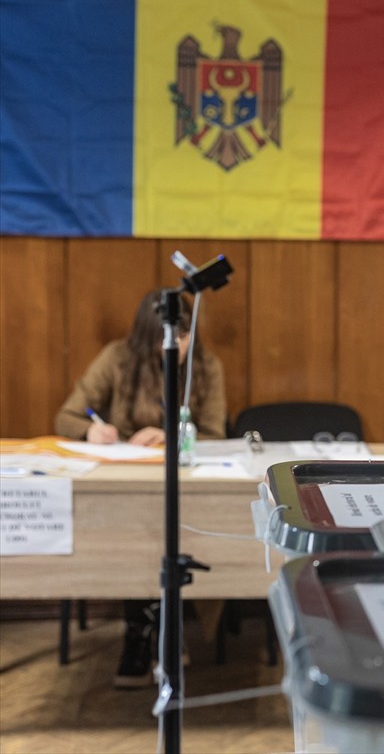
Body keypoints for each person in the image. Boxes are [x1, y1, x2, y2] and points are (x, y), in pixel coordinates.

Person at [55, 289, 226, 688]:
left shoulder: (207, 366)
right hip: (126, 485)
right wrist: (90, 429)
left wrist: (171, 436)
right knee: (137, 535)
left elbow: (218, 434)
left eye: (185, 336)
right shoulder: (117, 358)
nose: (177, 345)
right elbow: (67, 416)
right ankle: (139, 632)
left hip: (185, 487)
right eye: (169, 336)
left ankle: (169, 628)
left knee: (174, 534)